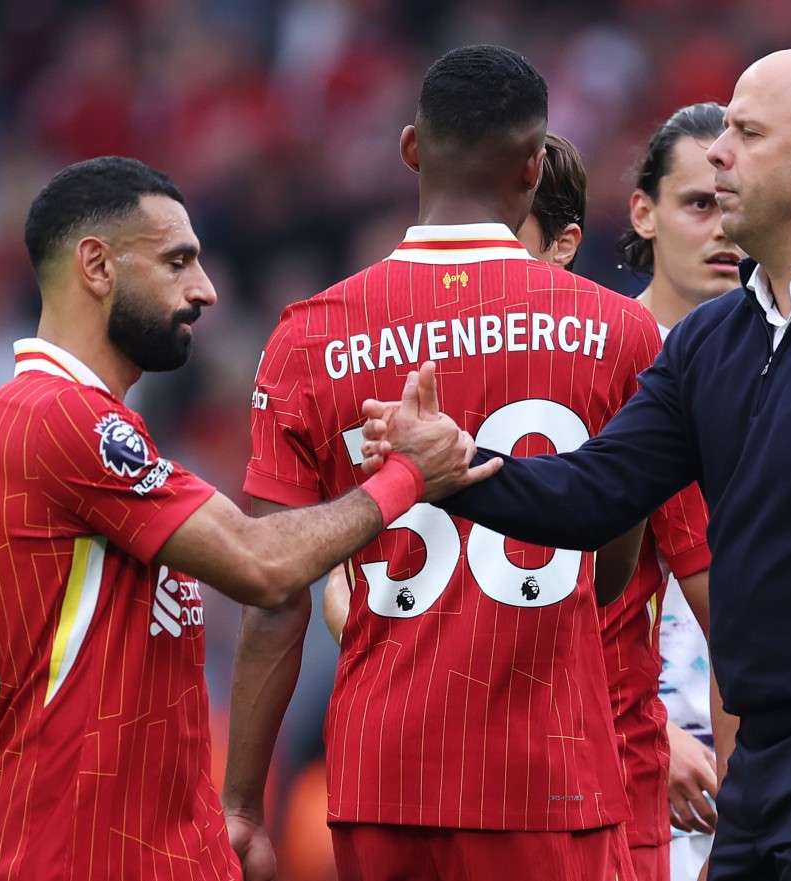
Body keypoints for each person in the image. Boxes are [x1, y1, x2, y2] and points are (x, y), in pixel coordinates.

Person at [364, 48, 791, 880]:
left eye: (745, 133)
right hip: (764, 759)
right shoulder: (714, 339)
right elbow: (594, 493)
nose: (718, 151)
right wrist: (453, 463)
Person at [0, 155, 486, 881]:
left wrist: (208, 832)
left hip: (139, 844)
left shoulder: (56, 418)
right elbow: (261, 566)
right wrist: (410, 476)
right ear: (96, 266)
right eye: (177, 262)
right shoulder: (58, 415)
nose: (204, 289)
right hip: (72, 849)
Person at [222, 45, 662, 881]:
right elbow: (609, 576)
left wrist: (243, 801)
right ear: (536, 166)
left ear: (410, 149)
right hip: (549, 776)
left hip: (380, 773)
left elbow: (273, 587)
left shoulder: (307, 335)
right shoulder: (621, 334)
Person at [321, 130, 589, 643]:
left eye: (502, 237)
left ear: (563, 248)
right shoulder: (387, 361)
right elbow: (340, 464)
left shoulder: (612, 362)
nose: (469, 259)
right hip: (406, 665)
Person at [612, 102, 743, 881]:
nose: (722, 230)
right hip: (613, 763)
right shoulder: (585, 369)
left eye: (731, 205)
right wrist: (648, 729)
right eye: (698, 204)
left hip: (759, 772)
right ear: (644, 212)